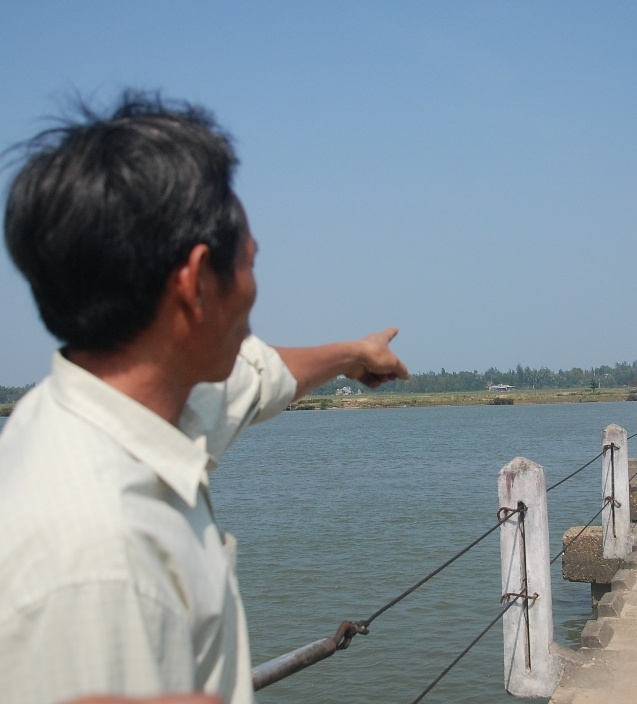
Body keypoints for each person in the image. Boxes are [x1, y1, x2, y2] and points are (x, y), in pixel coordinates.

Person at [0, 92, 409, 704]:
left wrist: (354, 355)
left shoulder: (124, 408)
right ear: (194, 283)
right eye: (249, 263)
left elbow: (257, 377)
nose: (254, 291)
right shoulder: (99, 558)